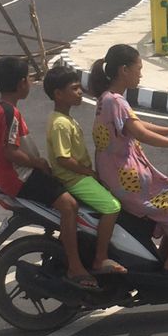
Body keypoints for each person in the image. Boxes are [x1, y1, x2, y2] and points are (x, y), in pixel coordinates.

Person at [87, 44, 168, 276]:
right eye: (138, 69)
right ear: (124, 70)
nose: (140, 74)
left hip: (120, 176)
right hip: (128, 183)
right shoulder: (116, 101)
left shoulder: (109, 98)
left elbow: (137, 124)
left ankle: (165, 256)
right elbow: (141, 133)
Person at [0, 55, 96, 290]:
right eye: (28, 79)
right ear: (21, 84)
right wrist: (37, 163)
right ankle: (75, 267)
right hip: (20, 178)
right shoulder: (9, 113)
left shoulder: (4, 109)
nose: (30, 84)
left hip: (19, 175)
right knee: (69, 206)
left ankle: (67, 250)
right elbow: (10, 151)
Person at [42, 62, 127, 278]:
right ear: (58, 94)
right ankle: (100, 258)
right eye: (74, 88)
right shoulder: (61, 123)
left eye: (79, 87)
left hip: (79, 176)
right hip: (74, 179)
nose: (80, 92)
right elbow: (63, 159)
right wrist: (90, 174)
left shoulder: (65, 118)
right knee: (112, 207)